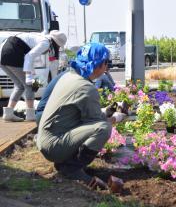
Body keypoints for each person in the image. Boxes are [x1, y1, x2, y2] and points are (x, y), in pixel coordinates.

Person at [36, 43, 126, 184]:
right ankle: (71, 169)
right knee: (104, 129)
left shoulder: (69, 76)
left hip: (47, 140)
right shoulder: (86, 88)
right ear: (100, 64)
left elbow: (81, 114)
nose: (107, 68)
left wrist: (106, 111)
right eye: (107, 63)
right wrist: (115, 118)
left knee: (99, 125)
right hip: (53, 146)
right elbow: (97, 124)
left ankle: (65, 163)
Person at [0, 31, 67, 122]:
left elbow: (38, 66)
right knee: (29, 86)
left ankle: (8, 113)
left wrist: (34, 79)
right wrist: (29, 77)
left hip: (3, 54)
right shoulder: (45, 43)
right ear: (56, 43)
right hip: (13, 53)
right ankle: (30, 115)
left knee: (19, 86)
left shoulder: (41, 40)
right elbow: (29, 56)